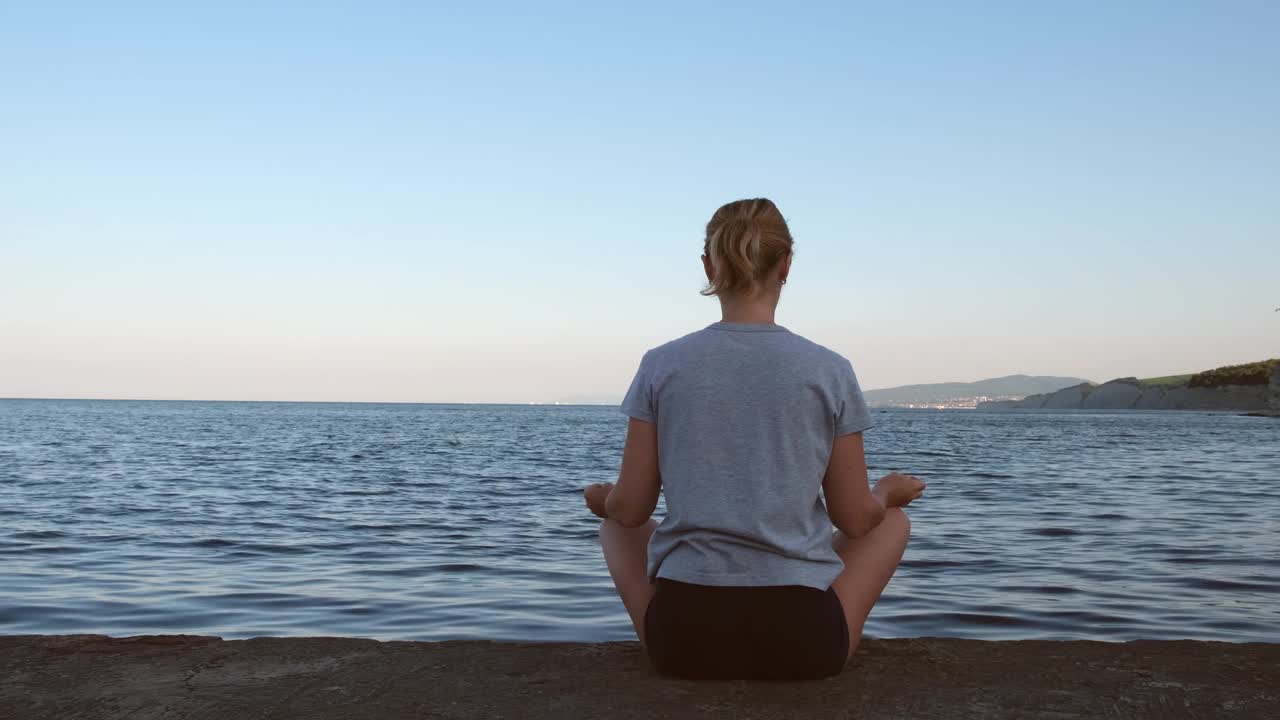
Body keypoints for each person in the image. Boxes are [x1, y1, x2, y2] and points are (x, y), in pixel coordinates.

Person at [583, 198, 925, 681]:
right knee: (890, 523)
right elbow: (854, 518)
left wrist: (603, 501)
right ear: (786, 265)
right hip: (804, 643)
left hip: (685, 642)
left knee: (615, 526)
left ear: (708, 265)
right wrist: (889, 492)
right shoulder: (829, 369)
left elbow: (631, 509)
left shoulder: (662, 364)